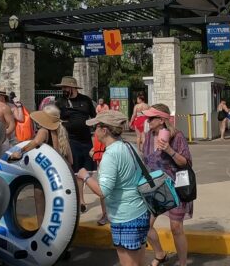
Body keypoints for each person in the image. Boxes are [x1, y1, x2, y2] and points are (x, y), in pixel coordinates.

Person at [76, 110, 149, 266]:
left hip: (125, 216)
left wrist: (85, 175)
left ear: (105, 130)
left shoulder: (111, 154)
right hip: (140, 211)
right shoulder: (129, 146)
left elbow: (103, 191)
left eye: (96, 127)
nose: (93, 131)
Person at [141, 104, 192, 266]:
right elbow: (146, 160)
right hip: (155, 187)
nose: (148, 121)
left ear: (162, 120)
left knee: (176, 228)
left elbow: (186, 163)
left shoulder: (177, 136)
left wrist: (169, 150)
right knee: (145, 225)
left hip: (176, 186)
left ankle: (183, 263)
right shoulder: (148, 136)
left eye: (151, 118)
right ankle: (160, 253)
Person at [55, 76, 96, 213]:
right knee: (74, 171)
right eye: (62, 87)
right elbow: (54, 119)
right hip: (69, 140)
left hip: (86, 140)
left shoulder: (86, 100)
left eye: (65, 87)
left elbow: (94, 117)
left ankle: (81, 199)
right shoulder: (59, 102)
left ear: (72, 88)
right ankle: (78, 200)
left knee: (85, 171)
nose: (63, 90)